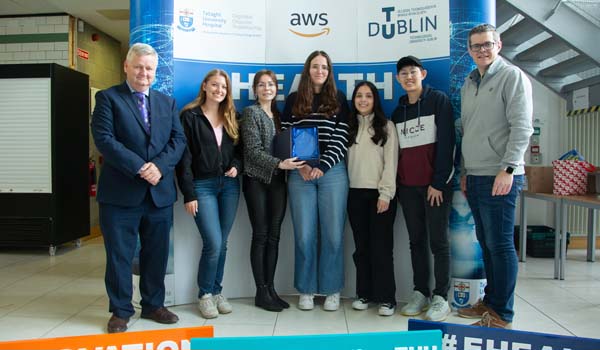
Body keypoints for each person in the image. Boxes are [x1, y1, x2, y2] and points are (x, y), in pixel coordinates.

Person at [91, 43, 186, 333]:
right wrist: (140, 167)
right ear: (126, 66)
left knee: (155, 254)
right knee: (120, 255)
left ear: (155, 72)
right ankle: (120, 310)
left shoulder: (166, 102)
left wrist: (158, 167)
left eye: (149, 68)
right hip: (121, 194)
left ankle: (153, 305)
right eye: (139, 66)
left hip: (158, 193)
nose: (144, 73)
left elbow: (178, 140)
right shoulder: (108, 98)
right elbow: (104, 139)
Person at [458, 24, 533, 329]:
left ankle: (502, 314)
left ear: (498, 44)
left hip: (500, 175)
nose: (481, 50)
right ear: (469, 50)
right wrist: (465, 171)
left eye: (487, 44)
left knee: (500, 244)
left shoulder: (511, 76)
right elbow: (468, 131)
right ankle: (490, 301)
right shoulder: (469, 82)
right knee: (486, 243)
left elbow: (522, 127)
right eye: (476, 46)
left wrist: (509, 169)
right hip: (476, 175)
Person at [281, 50, 350, 311]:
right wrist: (302, 166)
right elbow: (287, 134)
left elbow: (341, 136)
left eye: (324, 67)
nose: (319, 71)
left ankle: (332, 289)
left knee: (332, 235)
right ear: (307, 70)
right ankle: (306, 289)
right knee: (304, 235)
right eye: (315, 66)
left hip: (332, 173)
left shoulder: (339, 99)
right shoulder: (294, 99)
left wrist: (322, 165)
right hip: (300, 174)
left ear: (329, 71)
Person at [391, 55, 455, 321]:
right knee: (416, 242)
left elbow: (448, 143)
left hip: (435, 188)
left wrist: (438, 182)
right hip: (408, 187)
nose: (408, 77)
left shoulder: (438, 101)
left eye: (413, 72)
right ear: (398, 79)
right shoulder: (398, 112)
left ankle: (441, 296)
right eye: (403, 73)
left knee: (438, 242)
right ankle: (421, 292)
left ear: (423, 74)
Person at [176, 69, 241, 319]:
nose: (219, 90)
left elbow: (240, 151)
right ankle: (204, 294)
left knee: (222, 244)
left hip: (229, 186)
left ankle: (216, 291)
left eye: (223, 87)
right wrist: (189, 193)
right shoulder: (189, 116)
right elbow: (184, 160)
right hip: (202, 187)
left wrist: (237, 166)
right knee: (213, 243)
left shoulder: (232, 115)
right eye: (214, 85)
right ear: (204, 86)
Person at [240, 70, 305, 312]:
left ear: (276, 88)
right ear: (255, 89)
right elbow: (252, 152)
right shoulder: (250, 113)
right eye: (261, 85)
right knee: (261, 235)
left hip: (278, 182)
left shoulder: (279, 116)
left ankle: (271, 289)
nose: (267, 88)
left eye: (271, 84)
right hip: (256, 181)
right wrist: (280, 164)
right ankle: (261, 291)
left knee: (274, 236)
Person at [346, 81, 399, 316]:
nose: (363, 100)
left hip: (381, 195)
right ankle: (363, 294)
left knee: (382, 248)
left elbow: (391, 163)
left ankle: (387, 298)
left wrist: (385, 193)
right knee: (362, 249)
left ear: (375, 100)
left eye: (368, 96)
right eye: (359, 96)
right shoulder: (347, 127)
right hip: (354, 194)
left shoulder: (387, 126)